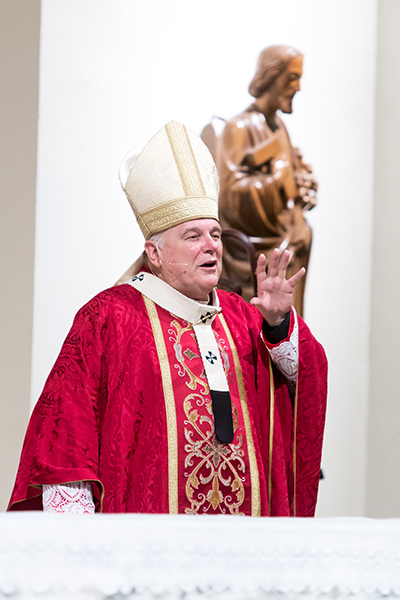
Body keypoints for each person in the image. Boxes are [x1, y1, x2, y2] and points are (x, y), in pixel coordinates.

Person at [8, 121, 327, 516]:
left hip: (245, 547)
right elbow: (65, 439)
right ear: (154, 254)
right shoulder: (108, 318)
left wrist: (279, 324)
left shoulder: (244, 315)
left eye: (215, 234)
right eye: (193, 236)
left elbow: (302, 385)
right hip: (143, 552)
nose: (211, 245)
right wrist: (79, 546)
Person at [215, 45, 317, 316]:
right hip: (253, 254)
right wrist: (280, 177)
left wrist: (301, 184)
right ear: (272, 76)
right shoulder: (238, 128)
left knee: (289, 334)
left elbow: (291, 183)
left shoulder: (279, 126)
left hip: (288, 244)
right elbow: (230, 197)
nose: (298, 87)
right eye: (292, 78)